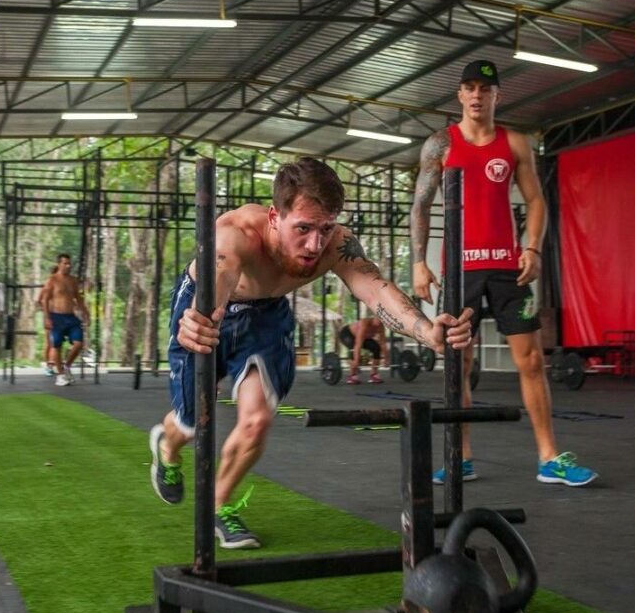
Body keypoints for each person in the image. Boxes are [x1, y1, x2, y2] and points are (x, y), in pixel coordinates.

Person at [150, 157, 473, 550]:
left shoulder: (336, 244)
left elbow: (375, 289)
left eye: (325, 228)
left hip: (267, 317)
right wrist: (201, 319)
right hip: (208, 306)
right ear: (274, 216)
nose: (314, 245)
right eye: (302, 229)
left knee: (257, 419)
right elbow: (218, 279)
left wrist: (426, 330)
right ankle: (167, 448)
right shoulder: (234, 235)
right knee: (190, 424)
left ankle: (219, 507)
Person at [410, 58, 597, 487]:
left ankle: (550, 458)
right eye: (469, 88)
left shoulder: (515, 143)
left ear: (498, 96)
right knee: (460, 363)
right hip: (460, 271)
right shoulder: (440, 143)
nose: (477, 95)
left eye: (485, 89)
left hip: (508, 267)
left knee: (531, 361)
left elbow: (535, 200)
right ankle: (463, 457)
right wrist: (419, 261)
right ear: (459, 94)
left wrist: (532, 247)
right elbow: (421, 204)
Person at [42, 254, 89, 387]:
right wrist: (47, 318)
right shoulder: (52, 280)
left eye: (69, 263)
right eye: (65, 263)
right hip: (56, 316)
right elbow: (44, 299)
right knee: (57, 345)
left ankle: (67, 366)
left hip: (70, 317)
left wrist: (86, 313)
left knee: (79, 343)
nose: (68, 266)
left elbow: (78, 298)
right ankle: (60, 375)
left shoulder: (73, 280)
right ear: (59, 264)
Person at [338, 315, 388, 384]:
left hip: (363, 338)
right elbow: (358, 345)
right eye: (378, 319)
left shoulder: (381, 327)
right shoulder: (364, 324)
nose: (380, 322)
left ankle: (374, 374)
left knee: (376, 348)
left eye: (382, 320)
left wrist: (386, 359)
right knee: (353, 349)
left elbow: (383, 344)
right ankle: (352, 376)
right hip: (347, 334)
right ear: (374, 317)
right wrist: (356, 361)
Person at [36, 265, 58, 376]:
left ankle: (51, 365)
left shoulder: (61, 284)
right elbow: (39, 301)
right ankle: (49, 366)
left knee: (54, 342)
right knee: (51, 342)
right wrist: (47, 312)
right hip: (50, 316)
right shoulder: (48, 285)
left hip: (59, 316)